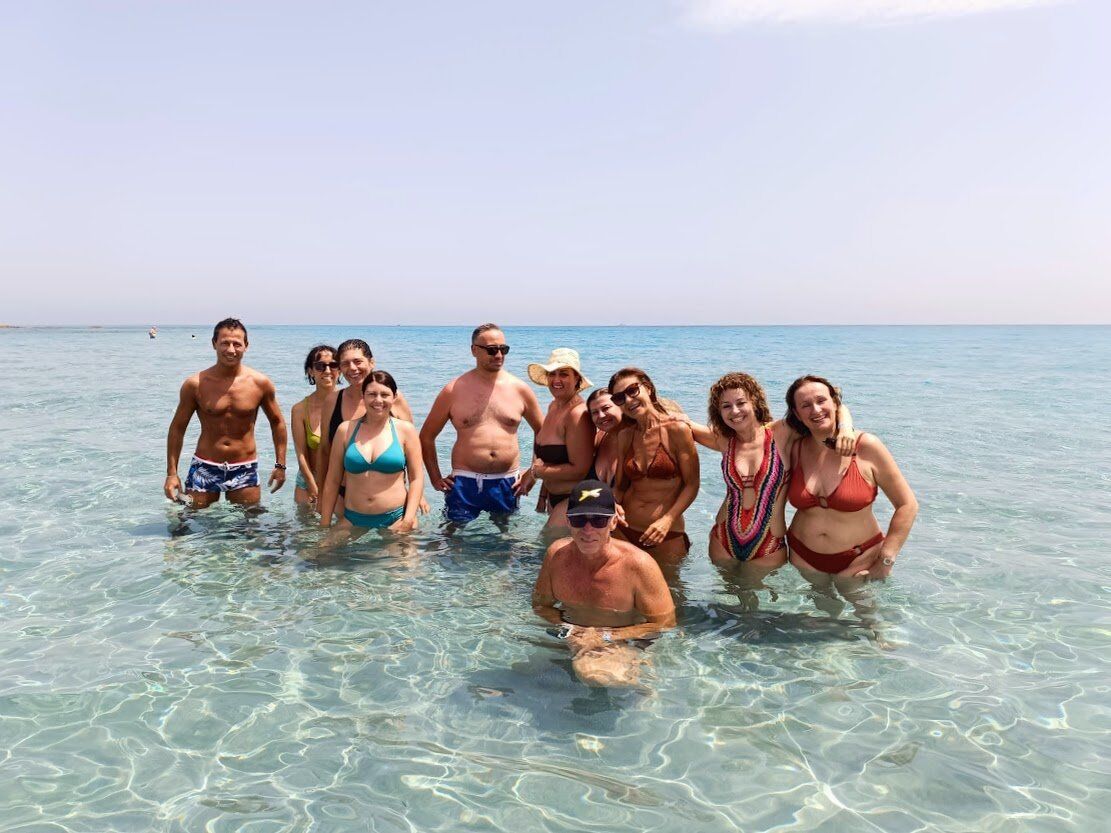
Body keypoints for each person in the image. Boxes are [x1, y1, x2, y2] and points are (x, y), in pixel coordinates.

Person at [685, 372, 855, 573]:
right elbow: (683, 425)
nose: (735, 411)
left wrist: (845, 429)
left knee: (759, 604)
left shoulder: (781, 433)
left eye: (741, 403)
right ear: (719, 412)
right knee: (723, 602)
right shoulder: (724, 441)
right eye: (726, 406)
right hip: (722, 541)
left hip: (769, 546)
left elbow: (831, 406)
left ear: (755, 401)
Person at [532, 480, 675, 687]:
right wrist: (572, 632)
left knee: (594, 675)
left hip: (622, 641)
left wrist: (606, 636)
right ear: (568, 521)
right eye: (579, 519)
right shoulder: (556, 556)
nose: (588, 530)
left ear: (614, 522)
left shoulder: (639, 565)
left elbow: (665, 624)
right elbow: (540, 606)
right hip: (573, 637)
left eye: (599, 520)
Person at [784, 375, 917, 582]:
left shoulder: (867, 446)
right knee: (814, 614)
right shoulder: (794, 447)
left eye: (821, 401)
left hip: (859, 559)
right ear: (797, 414)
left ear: (835, 403)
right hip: (802, 557)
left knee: (867, 614)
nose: (816, 410)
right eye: (806, 405)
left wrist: (886, 559)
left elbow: (907, 505)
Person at [420, 323, 544, 527]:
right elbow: (427, 436)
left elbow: (543, 432)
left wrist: (533, 472)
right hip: (464, 482)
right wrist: (435, 478)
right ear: (474, 350)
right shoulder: (454, 390)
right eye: (492, 350)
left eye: (504, 349)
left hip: (508, 482)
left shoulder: (520, 389)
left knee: (506, 545)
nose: (499, 355)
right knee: (453, 542)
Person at [164, 318, 287, 508]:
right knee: (187, 523)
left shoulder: (260, 383)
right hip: (204, 466)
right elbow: (178, 428)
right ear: (214, 344)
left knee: (249, 529)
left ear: (246, 346)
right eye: (225, 343)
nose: (231, 350)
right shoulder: (195, 384)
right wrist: (172, 474)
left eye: (237, 344)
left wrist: (280, 465)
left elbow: (277, 422)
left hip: (244, 468)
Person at [318, 371, 424, 545]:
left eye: (385, 395)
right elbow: (333, 479)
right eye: (372, 394)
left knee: (404, 569)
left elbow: (416, 478)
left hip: (396, 517)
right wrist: (325, 523)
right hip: (353, 517)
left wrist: (409, 519)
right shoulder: (345, 430)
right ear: (363, 396)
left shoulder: (405, 430)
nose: (378, 400)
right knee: (317, 558)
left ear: (394, 396)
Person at [608, 368, 699, 562]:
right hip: (624, 531)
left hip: (665, 534)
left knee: (671, 592)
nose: (629, 400)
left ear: (648, 388)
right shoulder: (625, 436)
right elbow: (621, 486)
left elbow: (692, 484)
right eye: (619, 398)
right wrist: (613, 504)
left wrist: (667, 520)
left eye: (632, 390)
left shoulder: (676, 429)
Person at [316, 339, 415, 516]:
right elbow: (324, 450)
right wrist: (322, 494)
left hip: (388, 500)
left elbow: (413, 451)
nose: (352, 368)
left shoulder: (393, 399)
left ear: (371, 362)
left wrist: (418, 497)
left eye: (358, 361)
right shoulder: (333, 400)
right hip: (342, 494)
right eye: (345, 363)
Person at [522, 348, 595, 530]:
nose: (556, 380)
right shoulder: (554, 406)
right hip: (555, 500)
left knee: (545, 552)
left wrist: (535, 473)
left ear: (577, 379)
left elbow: (579, 469)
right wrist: (543, 495)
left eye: (563, 374)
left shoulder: (577, 414)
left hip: (576, 499)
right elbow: (550, 456)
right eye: (552, 374)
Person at [289, 344, 338, 508]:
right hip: (309, 481)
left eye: (333, 365)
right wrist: (312, 486)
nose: (327, 370)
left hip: (341, 481)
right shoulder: (300, 409)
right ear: (310, 371)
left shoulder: (349, 404)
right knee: (305, 532)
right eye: (320, 366)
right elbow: (301, 454)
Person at [585, 389, 626, 486]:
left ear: (621, 406)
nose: (601, 415)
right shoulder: (598, 439)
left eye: (606, 408)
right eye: (594, 412)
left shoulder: (638, 440)